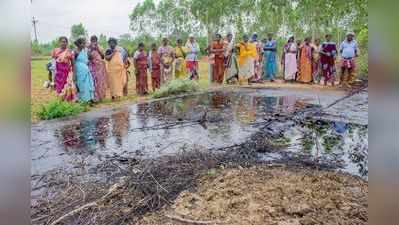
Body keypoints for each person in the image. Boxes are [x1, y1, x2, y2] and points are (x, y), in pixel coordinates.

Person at [73, 38, 95, 103]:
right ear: (79, 44)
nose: (84, 44)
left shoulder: (85, 51)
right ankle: (82, 99)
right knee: (81, 84)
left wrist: (89, 49)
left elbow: (91, 57)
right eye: (83, 43)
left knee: (87, 84)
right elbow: (73, 63)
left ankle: (89, 99)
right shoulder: (75, 52)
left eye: (84, 43)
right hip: (79, 70)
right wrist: (74, 74)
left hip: (86, 69)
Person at [88, 35, 107, 101]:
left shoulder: (100, 47)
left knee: (99, 81)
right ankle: (94, 97)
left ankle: (100, 97)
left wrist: (97, 49)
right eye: (92, 40)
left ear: (97, 41)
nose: (94, 42)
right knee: (93, 81)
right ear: (90, 41)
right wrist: (91, 49)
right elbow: (88, 57)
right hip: (92, 67)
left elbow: (103, 57)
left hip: (99, 67)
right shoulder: (88, 47)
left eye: (95, 40)